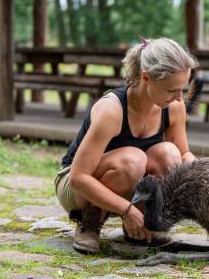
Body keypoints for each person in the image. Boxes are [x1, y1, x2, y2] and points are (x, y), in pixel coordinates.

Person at [54, 37, 198, 253]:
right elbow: (78, 177)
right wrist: (126, 209)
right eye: (171, 90)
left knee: (170, 154)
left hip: (126, 182)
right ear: (146, 78)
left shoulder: (174, 107)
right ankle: (90, 222)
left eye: (182, 89)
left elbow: (184, 154)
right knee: (133, 160)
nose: (179, 98)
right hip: (77, 188)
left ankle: (141, 227)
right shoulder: (112, 110)